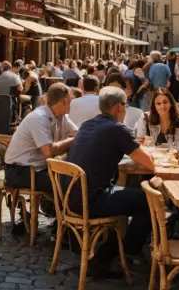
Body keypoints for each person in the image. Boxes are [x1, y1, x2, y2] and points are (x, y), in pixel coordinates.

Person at [66, 86, 156, 280]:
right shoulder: (117, 128)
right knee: (150, 201)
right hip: (92, 199)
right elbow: (148, 163)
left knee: (133, 196)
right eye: (125, 104)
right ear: (118, 107)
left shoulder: (87, 124)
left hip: (71, 197)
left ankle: (116, 251)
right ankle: (123, 252)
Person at [2, 84, 77, 207]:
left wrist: (76, 138)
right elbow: (49, 151)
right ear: (63, 101)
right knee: (69, 182)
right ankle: (63, 219)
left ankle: (62, 217)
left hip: (38, 168)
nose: (72, 104)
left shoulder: (62, 116)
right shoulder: (39, 118)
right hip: (20, 171)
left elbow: (77, 133)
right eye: (70, 101)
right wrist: (73, 140)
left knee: (73, 178)